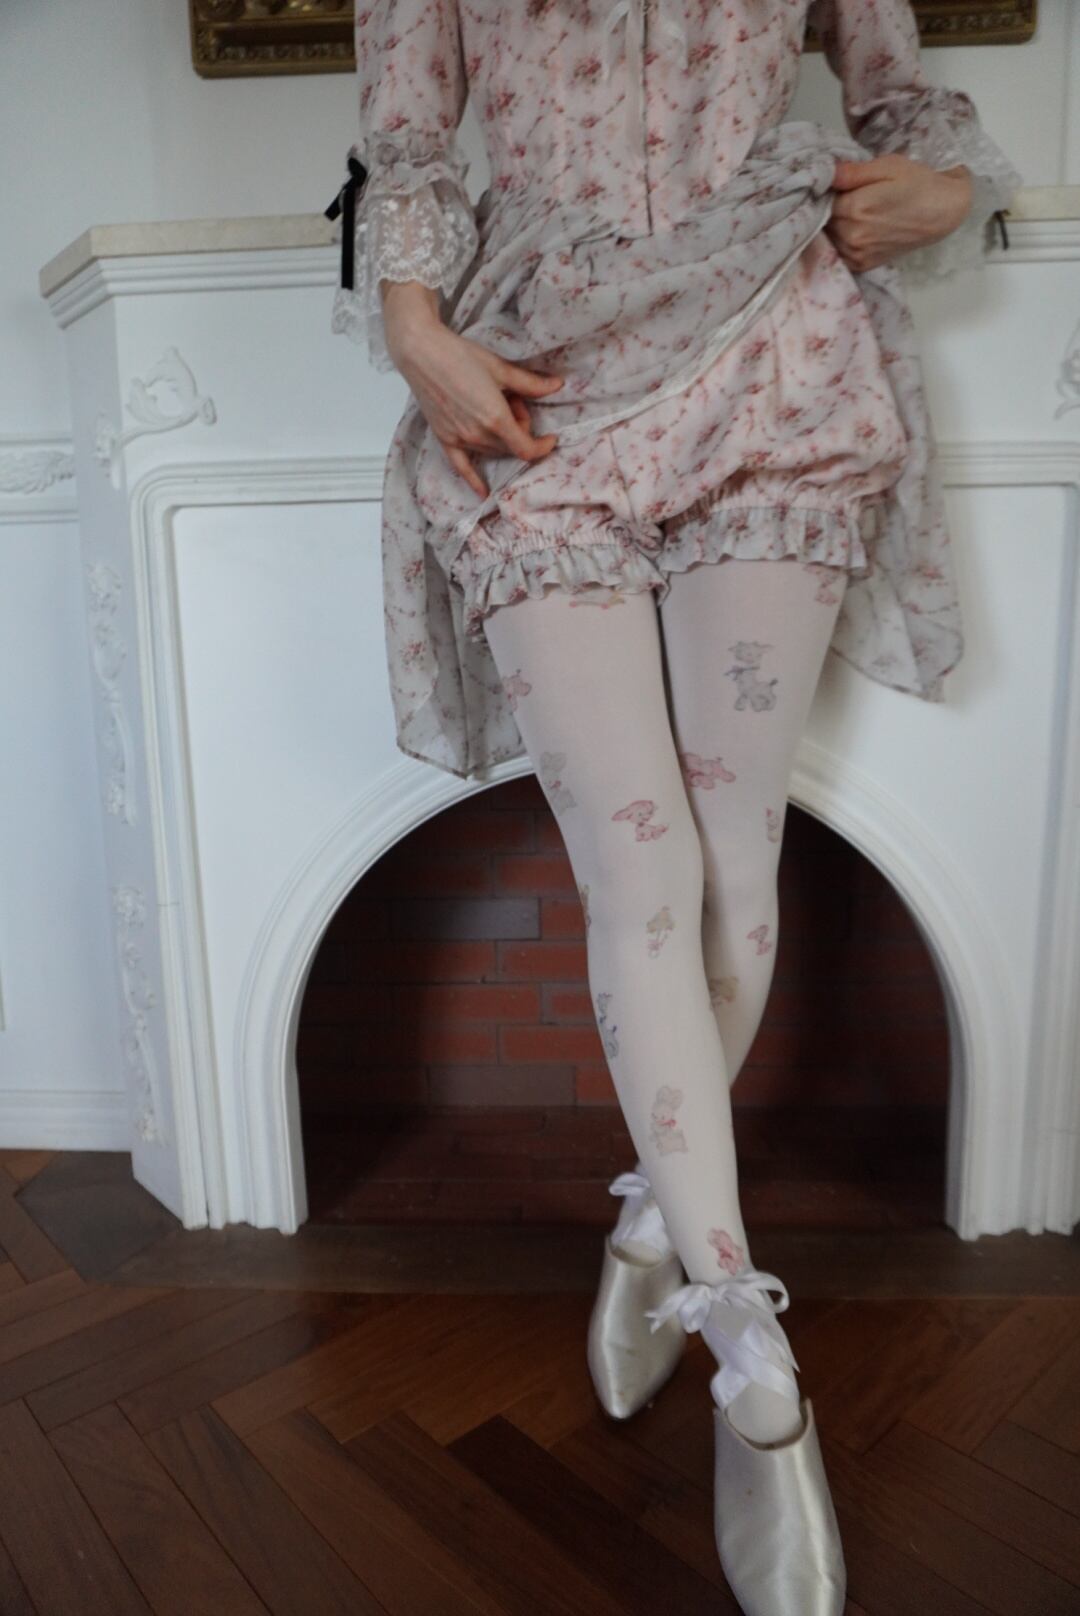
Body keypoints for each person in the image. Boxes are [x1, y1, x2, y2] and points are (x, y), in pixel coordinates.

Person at [327, 5, 1022, 1612]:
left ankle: (664, 1229)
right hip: (533, 380)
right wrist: (415, 323)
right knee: (637, 876)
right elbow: (409, 139)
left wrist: (948, 184)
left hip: (774, 365)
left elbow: (899, 96)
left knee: (731, 868)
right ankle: (751, 1356)